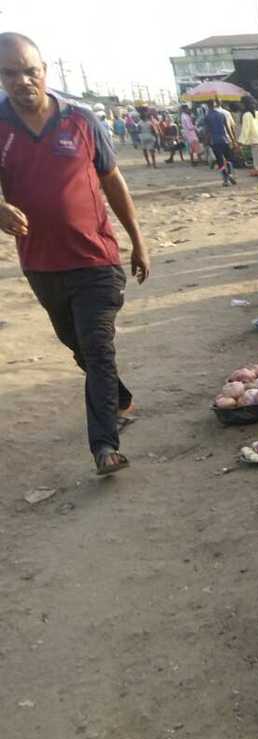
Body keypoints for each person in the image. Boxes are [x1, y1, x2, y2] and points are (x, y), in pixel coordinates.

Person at [0, 32, 150, 475]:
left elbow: (113, 182)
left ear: (44, 71)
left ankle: (105, 446)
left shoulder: (81, 120)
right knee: (78, 345)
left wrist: (137, 241)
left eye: (30, 70)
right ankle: (119, 397)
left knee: (97, 348)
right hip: (41, 263)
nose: (23, 80)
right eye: (10, 73)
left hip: (96, 260)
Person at [203, 98, 238, 186]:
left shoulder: (207, 117)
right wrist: (233, 140)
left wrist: (206, 142)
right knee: (229, 159)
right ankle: (230, 174)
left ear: (208, 106)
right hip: (225, 139)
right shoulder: (222, 114)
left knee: (220, 161)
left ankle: (225, 179)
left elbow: (208, 131)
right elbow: (228, 128)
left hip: (215, 141)